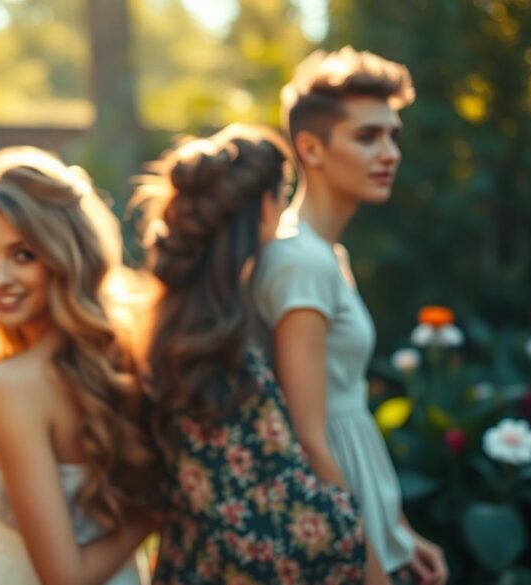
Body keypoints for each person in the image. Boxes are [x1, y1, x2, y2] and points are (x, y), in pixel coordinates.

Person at [137, 124, 366, 585]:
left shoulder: (179, 328)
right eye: (282, 195)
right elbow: (289, 523)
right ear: (266, 205)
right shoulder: (221, 354)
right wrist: (365, 550)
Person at [253, 47, 447, 585]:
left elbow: (349, 411)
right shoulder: (300, 263)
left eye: (392, 136)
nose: (389, 153)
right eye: (367, 137)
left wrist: (400, 532)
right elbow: (309, 436)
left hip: (368, 515)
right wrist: (365, 562)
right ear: (310, 148)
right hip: (336, 537)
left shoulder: (327, 256)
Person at [0, 146, 158, 585]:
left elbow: (64, 577)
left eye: (23, 254)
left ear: (64, 254)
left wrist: (156, 511)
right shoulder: (125, 352)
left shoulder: (12, 384)